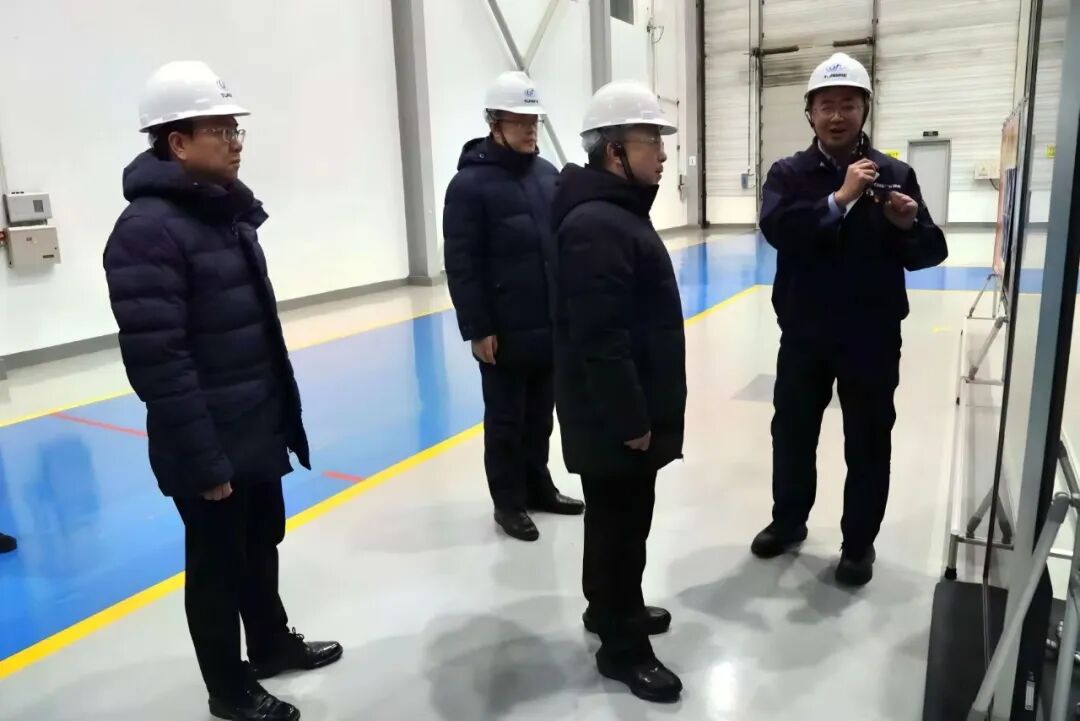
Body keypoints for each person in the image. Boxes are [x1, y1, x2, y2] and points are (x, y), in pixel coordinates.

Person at [103, 61, 341, 721]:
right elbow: (160, 362)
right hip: (207, 437)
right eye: (221, 131)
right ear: (177, 142)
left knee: (260, 541)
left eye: (237, 130)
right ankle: (228, 688)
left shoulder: (224, 214)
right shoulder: (146, 231)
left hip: (252, 420)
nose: (236, 143)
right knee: (216, 565)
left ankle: (269, 644)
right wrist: (205, 461)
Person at [751, 53, 948, 586]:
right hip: (805, 333)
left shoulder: (895, 174)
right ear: (810, 113)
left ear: (865, 110)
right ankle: (788, 521)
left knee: (868, 439)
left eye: (848, 105)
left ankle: (858, 544)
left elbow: (931, 253)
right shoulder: (789, 174)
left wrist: (908, 226)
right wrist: (840, 199)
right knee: (792, 433)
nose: (837, 116)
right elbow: (779, 230)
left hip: (871, 337)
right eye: (826, 106)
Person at [551, 80, 686, 703]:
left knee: (616, 522)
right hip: (616, 418)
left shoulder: (615, 213)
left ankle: (607, 610)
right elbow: (600, 339)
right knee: (621, 531)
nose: (662, 152)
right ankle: (622, 648)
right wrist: (633, 420)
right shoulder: (598, 224)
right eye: (650, 139)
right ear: (614, 152)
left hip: (621, 411)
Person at [443, 71, 584, 542]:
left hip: (547, 321)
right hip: (502, 329)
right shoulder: (469, 186)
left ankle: (538, 487)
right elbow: (461, 263)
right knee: (506, 419)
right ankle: (507, 502)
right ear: (494, 123)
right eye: (519, 120)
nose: (530, 129)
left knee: (541, 415)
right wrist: (477, 327)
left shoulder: (546, 175)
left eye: (534, 120)